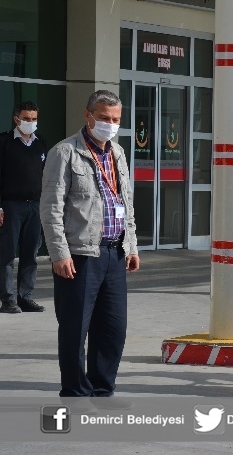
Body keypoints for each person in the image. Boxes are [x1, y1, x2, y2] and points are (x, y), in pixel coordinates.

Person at [40, 90, 140, 406]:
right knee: (75, 328)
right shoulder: (65, 153)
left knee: (113, 329)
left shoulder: (118, 153)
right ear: (88, 115)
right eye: (104, 118)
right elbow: (51, 208)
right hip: (80, 255)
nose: (110, 124)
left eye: (116, 119)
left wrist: (132, 245)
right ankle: (75, 392)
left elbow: (126, 203)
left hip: (114, 252)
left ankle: (102, 389)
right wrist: (59, 253)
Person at [0, 102, 48, 313]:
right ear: (16, 119)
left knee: (30, 254)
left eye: (34, 119)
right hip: (11, 206)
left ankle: (25, 297)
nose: (30, 122)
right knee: (7, 254)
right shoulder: (4, 142)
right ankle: (8, 299)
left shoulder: (41, 143)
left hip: (35, 206)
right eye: (26, 119)